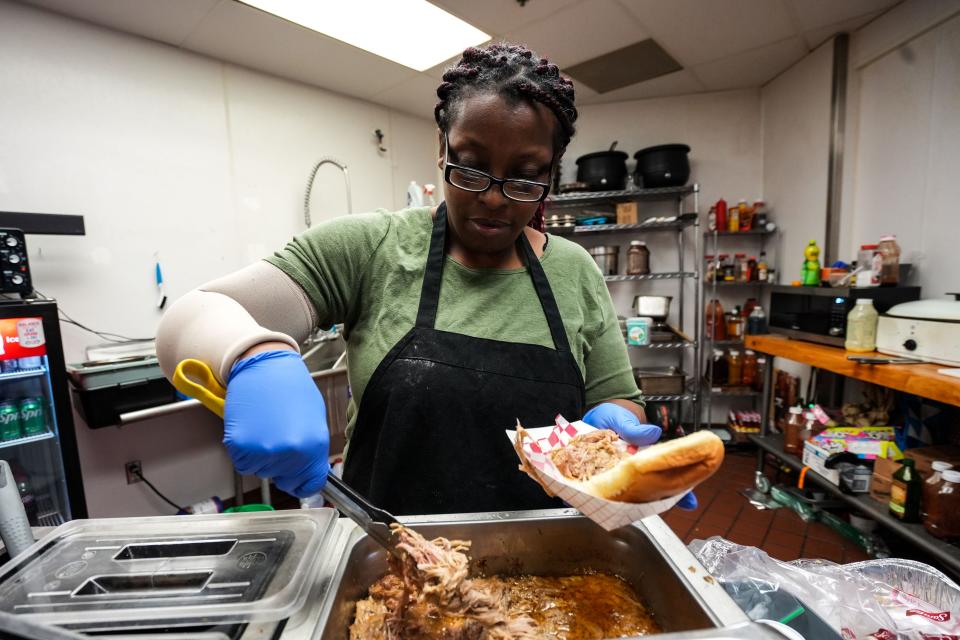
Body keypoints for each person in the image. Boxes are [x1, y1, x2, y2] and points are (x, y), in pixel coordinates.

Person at [157, 42, 696, 515]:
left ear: (551, 173)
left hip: (547, 565)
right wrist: (255, 357)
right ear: (441, 148)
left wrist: (613, 431)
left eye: (526, 176)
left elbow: (620, 399)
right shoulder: (370, 249)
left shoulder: (573, 270)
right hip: (389, 561)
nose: (492, 197)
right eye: (469, 165)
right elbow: (189, 318)